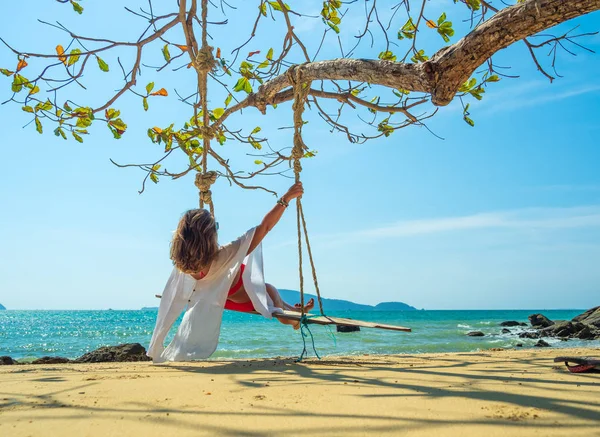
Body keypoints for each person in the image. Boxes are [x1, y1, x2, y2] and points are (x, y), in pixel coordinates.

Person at [169, 181, 314, 329]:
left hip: (227, 300)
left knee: (268, 291)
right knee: (270, 291)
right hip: (249, 299)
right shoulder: (224, 256)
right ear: (208, 236)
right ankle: (291, 320)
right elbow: (264, 227)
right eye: (216, 227)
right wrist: (286, 198)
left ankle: (296, 311)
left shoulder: (184, 265)